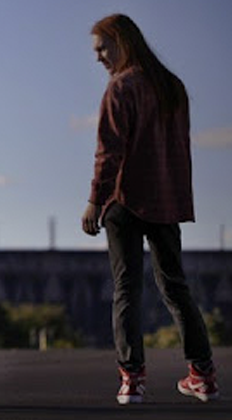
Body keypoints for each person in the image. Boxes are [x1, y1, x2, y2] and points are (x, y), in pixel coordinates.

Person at [81, 14, 218, 404]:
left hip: (124, 200)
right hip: (165, 200)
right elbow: (179, 151)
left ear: (121, 41)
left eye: (102, 48)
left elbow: (110, 151)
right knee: (176, 287)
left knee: (126, 289)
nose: (98, 58)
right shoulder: (172, 87)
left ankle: (132, 380)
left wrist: (95, 198)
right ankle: (203, 375)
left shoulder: (120, 88)